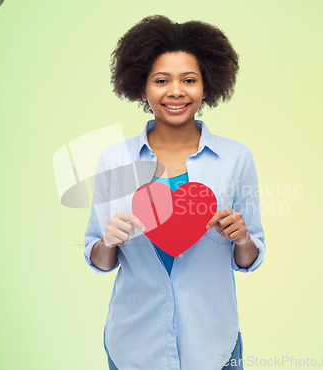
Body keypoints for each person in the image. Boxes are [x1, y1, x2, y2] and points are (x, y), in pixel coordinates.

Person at [84, 15, 266, 370]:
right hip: (133, 344)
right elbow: (99, 260)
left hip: (214, 344)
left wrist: (242, 238)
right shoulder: (115, 159)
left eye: (189, 80)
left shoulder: (236, 159)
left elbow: (249, 257)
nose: (176, 91)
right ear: (141, 88)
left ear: (207, 87)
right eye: (161, 80)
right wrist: (108, 242)